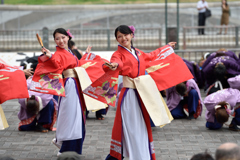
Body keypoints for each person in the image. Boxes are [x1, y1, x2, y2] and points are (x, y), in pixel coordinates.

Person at [104, 25, 176, 160]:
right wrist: (114, 65)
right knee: (132, 127)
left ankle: (137, 154)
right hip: (129, 95)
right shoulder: (117, 54)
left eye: (125, 35)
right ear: (117, 39)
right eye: (119, 36)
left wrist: (166, 48)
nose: (123, 38)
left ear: (132, 35)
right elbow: (116, 62)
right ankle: (134, 155)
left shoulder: (137, 52)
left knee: (140, 126)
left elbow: (151, 56)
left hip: (141, 93)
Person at [33, 28, 92, 156]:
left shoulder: (69, 51)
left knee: (76, 116)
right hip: (70, 85)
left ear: (68, 37)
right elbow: (58, 66)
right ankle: (66, 147)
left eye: (63, 37)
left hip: (75, 83)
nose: (60, 41)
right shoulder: (58, 53)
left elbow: (76, 65)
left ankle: (71, 147)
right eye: (57, 39)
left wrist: (86, 56)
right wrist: (50, 56)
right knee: (71, 116)